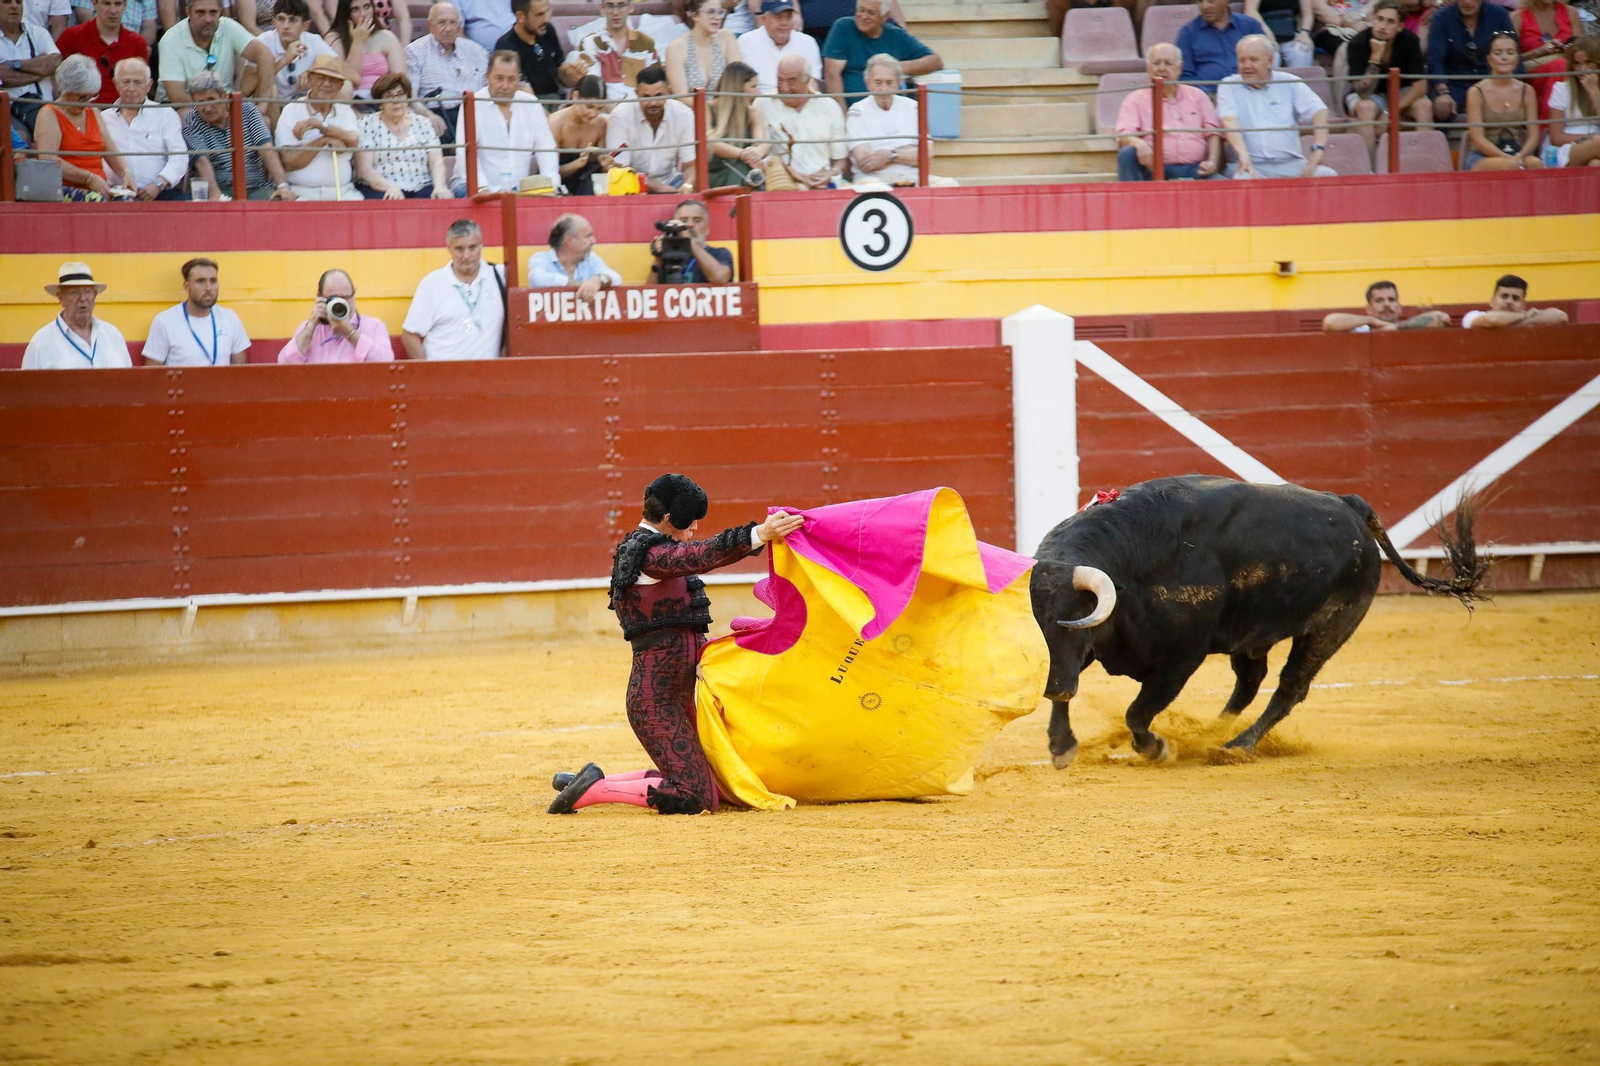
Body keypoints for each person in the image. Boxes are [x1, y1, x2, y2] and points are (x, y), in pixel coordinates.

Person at [546, 473, 806, 816]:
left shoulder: (650, 551)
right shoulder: (648, 554)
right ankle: (593, 791)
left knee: (705, 781)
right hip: (655, 701)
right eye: (691, 518)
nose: (696, 525)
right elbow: (703, 554)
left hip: (670, 691)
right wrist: (759, 534)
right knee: (696, 796)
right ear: (669, 518)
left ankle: (590, 780)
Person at [1217, 35, 1335, 177]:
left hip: (1290, 163)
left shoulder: (1289, 82)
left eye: (1253, 60)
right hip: (1247, 163)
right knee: (1243, 178)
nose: (1246, 66)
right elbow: (1229, 120)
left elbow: (1319, 111)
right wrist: (1243, 154)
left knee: (1326, 175)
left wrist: (1318, 149)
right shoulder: (1228, 85)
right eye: (1242, 60)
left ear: (1270, 60)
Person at [451, 49, 559, 194]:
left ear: (519, 79)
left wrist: (550, 185)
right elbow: (465, 153)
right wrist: (483, 189)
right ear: (487, 77)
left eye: (511, 79)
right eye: (499, 78)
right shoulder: (472, 104)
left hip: (518, 189)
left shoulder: (531, 103)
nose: (505, 86)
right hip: (471, 186)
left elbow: (546, 148)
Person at [401, 218, 508, 361]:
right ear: (449, 248)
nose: (467, 255)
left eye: (473, 247)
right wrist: (427, 373)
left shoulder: (500, 275)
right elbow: (409, 334)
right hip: (443, 378)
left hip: (487, 379)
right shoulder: (432, 283)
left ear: (481, 246)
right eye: (459, 249)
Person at [33, 55, 137, 200]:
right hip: (64, 188)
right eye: (81, 97)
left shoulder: (92, 110)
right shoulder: (49, 113)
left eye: (91, 96)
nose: (86, 102)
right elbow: (48, 159)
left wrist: (125, 172)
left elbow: (110, 150)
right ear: (65, 90)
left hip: (97, 186)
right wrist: (88, 178)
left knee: (128, 201)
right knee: (98, 202)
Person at [1115, 42, 1223, 181]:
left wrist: (1213, 161)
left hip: (1196, 169)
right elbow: (1124, 134)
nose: (1161, 68)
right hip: (1154, 171)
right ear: (1148, 68)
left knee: (1226, 188)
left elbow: (1212, 132)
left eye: (1168, 63)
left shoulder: (1197, 95)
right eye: (1156, 63)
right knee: (1127, 153)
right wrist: (1140, 144)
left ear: (1180, 68)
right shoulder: (1135, 99)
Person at [184, 69, 296, 198]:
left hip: (256, 186)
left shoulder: (247, 110)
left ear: (224, 96)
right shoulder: (193, 119)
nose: (207, 108)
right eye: (200, 103)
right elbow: (201, 161)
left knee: (278, 202)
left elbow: (266, 149)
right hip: (221, 188)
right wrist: (215, 194)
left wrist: (282, 186)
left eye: (211, 99)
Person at [846, 53, 955, 185]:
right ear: (867, 82)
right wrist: (907, 152)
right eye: (878, 83)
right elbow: (865, 162)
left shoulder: (913, 107)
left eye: (889, 83)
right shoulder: (857, 110)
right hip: (875, 180)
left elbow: (926, 156)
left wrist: (890, 155)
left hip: (912, 177)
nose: (884, 89)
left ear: (898, 83)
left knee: (949, 184)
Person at [1341, 0, 1430, 154]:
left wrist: (1390, 112)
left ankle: (1424, 161)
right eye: (1379, 19)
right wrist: (1375, 59)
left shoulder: (1410, 41)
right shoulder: (1358, 43)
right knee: (1365, 107)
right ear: (1373, 19)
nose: (1382, 26)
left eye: (1390, 22)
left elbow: (1420, 87)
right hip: (1370, 95)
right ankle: (1370, 169)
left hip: (1399, 92)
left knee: (1424, 105)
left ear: (1400, 26)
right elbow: (1363, 93)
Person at [275, 53, 363, 198]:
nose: (326, 84)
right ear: (310, 79)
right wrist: (323, 141)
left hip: (342, 191)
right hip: (301, 192)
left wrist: (322, 127)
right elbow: (288, 162)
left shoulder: (345, 111)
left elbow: (353, 140)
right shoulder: (292, 109)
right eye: (321, 78)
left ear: (340, 86)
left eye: (333, 80)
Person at [102, 57, 189, 199]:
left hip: (160, 191)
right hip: (116, 193)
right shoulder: (104, 118)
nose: (131, 88)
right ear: (116, 84)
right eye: (125, 82)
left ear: (149, 85)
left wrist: (159, 183)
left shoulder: (165, 114)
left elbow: (179, 157)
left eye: (138, 83)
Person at [158, 0, 276, 105]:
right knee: (186, 114)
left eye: (213, 12)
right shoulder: (170, 40)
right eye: (200, 12)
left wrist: (262, 104)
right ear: (188, 12)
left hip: (225, 104)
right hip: (183, 106)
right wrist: (217, 108)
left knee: (265, 118)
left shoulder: (227, 26)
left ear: (220, 12)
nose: (208, 19)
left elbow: (265, 55)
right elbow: (178, 97)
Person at [356, 72, 454, 197]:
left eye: (400, 94)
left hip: (421, 185)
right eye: (388, 96)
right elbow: (365, 170)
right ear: (380, 103)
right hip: (381, 188)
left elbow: (436, 162)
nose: (396, 101)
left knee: (439, 198)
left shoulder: (423, 123)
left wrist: (439, 186)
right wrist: (390, 188)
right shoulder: (367, 124)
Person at [822, 0, 938, 105]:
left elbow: (935, 61)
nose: (863, 16)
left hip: (889, 109)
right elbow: (832, 75)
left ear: (885, 17)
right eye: (861, 10)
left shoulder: (896, 35)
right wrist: (843, 115)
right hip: (852, 110)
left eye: (871, 13)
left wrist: (895, 67)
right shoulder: (843, 28)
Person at [142, 258, 252, 367]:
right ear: (186, 286)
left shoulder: (230, 318)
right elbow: (152, 374)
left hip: (222, 385)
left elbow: (240, 370)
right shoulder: (164, 321)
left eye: (213, 281)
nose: (208, 288)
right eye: (200, 281)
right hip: (181, 385)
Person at [23, 263, 134, 370]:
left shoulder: (113, 335)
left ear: (95, 295)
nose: (83, 298)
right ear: (60, 297)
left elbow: (129, 382)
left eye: (88, 292)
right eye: (74, 292)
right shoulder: (40, 343)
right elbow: (26, 387)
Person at [605, 63, 697, 192]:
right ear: (637, 94)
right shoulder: (620, 116)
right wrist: (665, 190)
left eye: (659, 96)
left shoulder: (684, 114)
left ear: (669, 91)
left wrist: (687, 186)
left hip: (673, 183)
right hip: (632, 187)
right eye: (646, 97)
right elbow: (619, 168)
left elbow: (691, 165)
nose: (653, 103)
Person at [758, 52, 845, 187]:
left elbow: (841, 160)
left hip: (822, 187)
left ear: (807, 79)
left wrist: (831, 174)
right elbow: (757, 155)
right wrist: (794, 175)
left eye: (791, 81)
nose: (785, 88)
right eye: (780, 80)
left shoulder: (829, 106)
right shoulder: (763, 104)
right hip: (781, 186)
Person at [1463, 30, 1544, 169]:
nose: (1504, 58)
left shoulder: (1527, 91)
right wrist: (1509, 159)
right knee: (1509, 165)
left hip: (1517, 152)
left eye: (1510, 53)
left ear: (1517, 59)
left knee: (1535, 163)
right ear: (1489, 59)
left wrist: (1520, 156)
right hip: (1481, 156)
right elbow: (1477, 139)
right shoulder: (1476, 92)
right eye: (1498, 53)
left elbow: (1533, 135)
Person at [406, 3, 487, 139]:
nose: (448, 29)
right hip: (438, 115)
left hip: (475, 115)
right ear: (430, 25)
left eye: (453, 23)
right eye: (441, 23)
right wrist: (429, 116)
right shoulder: (414, 52)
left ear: (460, 25)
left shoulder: (477, 52)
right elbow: (411, 98)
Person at [1428, 0, 1515, 124]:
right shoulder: (1442, 17)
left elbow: (1513, 53)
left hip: (1491, 81)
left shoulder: (1499, 15)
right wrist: (1442, 93)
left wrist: (1511, 89)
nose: (1467, 2)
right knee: (1442, 107)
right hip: (1453, 83)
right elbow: (1435, 59)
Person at [279, 268, 394, 362]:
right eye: (334, 298)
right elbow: (283, 364)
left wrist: (350, 333)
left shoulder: (374, 326)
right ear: (320, 297)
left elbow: (386, 363)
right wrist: (312, 325)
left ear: (354, 295)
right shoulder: (308, 330)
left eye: (345, 298)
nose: (341, 303)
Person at [55, 0, 148, 104]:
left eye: (118, 4)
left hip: (123, 112)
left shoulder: (137, 43)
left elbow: (142, 86)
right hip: (82, 111)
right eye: (106, 3)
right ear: (94, 4)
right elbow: (56, 79)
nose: (113, 11)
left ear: (125, 6)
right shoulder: (72, 37)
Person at [494, 0, 581, 101]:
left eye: (547, 12)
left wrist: (573, 75)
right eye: (539, 15)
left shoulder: (547, 30)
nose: (546, 19)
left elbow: (560, 72)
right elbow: (526, 98)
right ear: (520, 16)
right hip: (530, 104)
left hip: (557, 98)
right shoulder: (506, 46)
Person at [1, 0, 63, 137]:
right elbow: (1, 76)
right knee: (21, 137)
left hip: (45, 107)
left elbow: (56, 62)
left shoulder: (38, 33)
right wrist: (40, 70)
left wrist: (14, 65)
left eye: (18, 2)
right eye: (6, 2)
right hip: (7, 110)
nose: (14, 6)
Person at [575, 0, 658, 100]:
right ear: (602, 8)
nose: (615, 12)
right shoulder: (589, 43)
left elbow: (655, 85)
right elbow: (594, 88)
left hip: (640, 108)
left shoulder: (647, 43)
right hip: (603, 109)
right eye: (610, 6)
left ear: (631, 7)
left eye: (621, 5)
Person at [256, 0, 334, 102]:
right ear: (274, 22)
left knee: (345, 86)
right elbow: (247, 87)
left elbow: (336, 63)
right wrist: (284, 60)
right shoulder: (263, 42)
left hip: (307, 105)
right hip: (275, 106)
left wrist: (314, 71)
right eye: (281, 19)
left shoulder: (313, 40)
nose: (286, 26)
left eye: (292, 20)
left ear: (305, 26)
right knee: (271, 89)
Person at [528, 213, 623, 296]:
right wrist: (583, 285)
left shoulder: (590, 258)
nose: (593, 241)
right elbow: (536, 278)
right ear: (569, 240)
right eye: (588, 236)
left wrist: (599, 280)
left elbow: (616, 278)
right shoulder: (541, 259)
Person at [705, 61, 768, 187]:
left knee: (747, 168)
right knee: (747, 170)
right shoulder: (706, 108)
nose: (757, 93)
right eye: (753, 87)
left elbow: (764, 144)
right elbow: (710, 143)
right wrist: (742, 154)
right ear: (738, 87)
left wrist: (753, 155)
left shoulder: (753, 112)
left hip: (743, 170)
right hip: (715, 174)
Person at [549, 73, 614, 194]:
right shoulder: (556, 123)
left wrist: (605, 165)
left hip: (588, 183)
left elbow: (601, 172)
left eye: (599, 109)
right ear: (575, 96)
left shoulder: (601, 124)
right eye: (589, 107)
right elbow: (549, 172)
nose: (594, 114)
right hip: (559, 183)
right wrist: (576, 164)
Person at [1178, 0, 1266, 89]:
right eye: (1200, 1)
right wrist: (1206, 96)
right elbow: (1185, 76)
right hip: (1207, 97)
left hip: (1249, 92)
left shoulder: (1250, 26)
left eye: (1210, 1)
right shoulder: (1189, 32)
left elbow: (1265, 63)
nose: (1205, 6)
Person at [1514, 0, 1580, 117]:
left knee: (1561, 64)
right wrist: (1539, 51)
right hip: (1532, 73)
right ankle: (1549, 124)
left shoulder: (1571, 12)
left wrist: (1568, 49)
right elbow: (1510, 59)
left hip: (1569, 70)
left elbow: (1583, 49)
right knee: (1560, 65)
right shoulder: (1517, 17)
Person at [324, 0, 403, 97]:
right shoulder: (334, 39)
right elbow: (353, 78)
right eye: (355, 10)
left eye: (367, 7)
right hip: (350, 100)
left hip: (383, 98)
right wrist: (358, 41)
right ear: (345, 14)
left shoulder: (387, 36)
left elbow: (400, 79)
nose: (363, 14)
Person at [738, 0, 818, 94]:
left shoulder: (808, 42)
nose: (784, 23)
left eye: (788, 18)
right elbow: (745, 86)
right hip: (760, 102)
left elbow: (813, 83)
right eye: (779, 18)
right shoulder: (746, 41)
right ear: (764, 19)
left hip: (798, 100)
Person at [648, 198, 734, 283]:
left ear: (707, 228)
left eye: (697, 220)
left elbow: (720, 278)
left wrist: (689, 241)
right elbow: (648, 293)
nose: (690, 224)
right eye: (684, 220)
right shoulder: (668, 256)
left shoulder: (720, 253)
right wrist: (658, 259)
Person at [665, 0, 741, 96]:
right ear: (695, 15)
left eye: (720, 12)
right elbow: (682, 96)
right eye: (710, 12)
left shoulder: (727, 37)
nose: (717, 17)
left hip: (725, 107)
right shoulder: (676, 48)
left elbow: (739, 81)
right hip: (691, 108)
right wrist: (709, 108)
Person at [1547, 34, 1600, 166]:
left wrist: (1594, 92)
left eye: (1588, 62)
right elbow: (1556, 138)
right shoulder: (1561, 89)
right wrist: (1588, 139)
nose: (1583, 70)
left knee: (1595, 165)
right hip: (1568, 148)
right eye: (1577, 64)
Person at [1321, 280, 1451, 331]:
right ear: (1369, 309)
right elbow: (1330, 322)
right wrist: (1371, 321)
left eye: (1391, 300)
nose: (1387, 304)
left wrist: (1395, 326)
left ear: (1399, 307)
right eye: (1379, 301)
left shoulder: (1410, 326)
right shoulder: (1361, 330)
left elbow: (1443, 318)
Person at [1462, 274, 1569, 327]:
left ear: (1523, 305)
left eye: (1515, 298)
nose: (1509, 301)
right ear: (1492, 301)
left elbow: (1561, 316)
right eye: (1504, 296)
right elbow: (1492, 320)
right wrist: (1526, 316)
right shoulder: (1473, 315)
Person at [1244, 0, 1313, 68]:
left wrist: (1305, 32)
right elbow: (1250, 11)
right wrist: (1269, 34)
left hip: (1289, 31)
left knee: (1302, 50)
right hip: (1263, 30)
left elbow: (1307, 13)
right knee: (1270, 53)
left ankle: (1298, 79)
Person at [69, 0, 155, 45]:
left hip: (133, 43)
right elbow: (86, 19)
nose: (113, 11)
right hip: (97, 40)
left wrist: (139, 44)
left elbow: (149, 27)